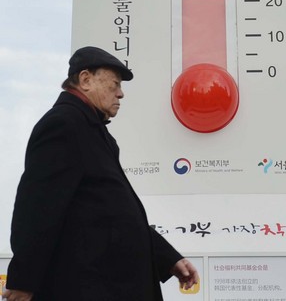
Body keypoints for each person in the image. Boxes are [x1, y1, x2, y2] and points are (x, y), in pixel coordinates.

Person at [4, 46, 199, 301]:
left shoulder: (95, 132)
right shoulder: (63, 124)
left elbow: (114, 213)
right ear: (85, 80)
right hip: (88, 287)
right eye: (114, 84)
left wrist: (168, 258)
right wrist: (23, 280)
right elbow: (37, 208)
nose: (120, 93)